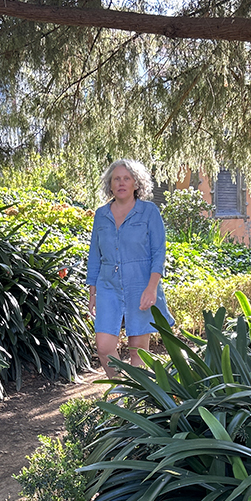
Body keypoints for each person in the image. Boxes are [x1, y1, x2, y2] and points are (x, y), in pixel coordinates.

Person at [86, 158, 174, 378]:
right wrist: (92, 292)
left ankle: (135, 403)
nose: (121, 183)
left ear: (136, 183)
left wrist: (152, 288)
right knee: (104, 347)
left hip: (140, 284)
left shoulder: (149, 212)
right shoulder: (101, 215)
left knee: (138, 352)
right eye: (117, 179)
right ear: (110, 184)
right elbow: (95, 256)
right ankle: (119, 390)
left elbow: (158, 253)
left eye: (127, 178)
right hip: (108, 286)